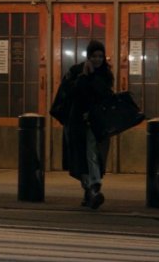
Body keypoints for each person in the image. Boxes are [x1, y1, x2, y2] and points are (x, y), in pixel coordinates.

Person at [50, 40, 114, 209]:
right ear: (88, 56)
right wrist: (84, 77)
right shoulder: (76, 71)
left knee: (93, 153)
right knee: (79, 156)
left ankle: (94, 187)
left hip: (95, 121)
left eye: (100, 56)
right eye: (94, 56)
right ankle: (89, 191)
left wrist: (92, 77)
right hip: (77, 121)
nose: (97, 59)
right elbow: (70, 92)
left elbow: (104, 95)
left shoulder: (105, 73)